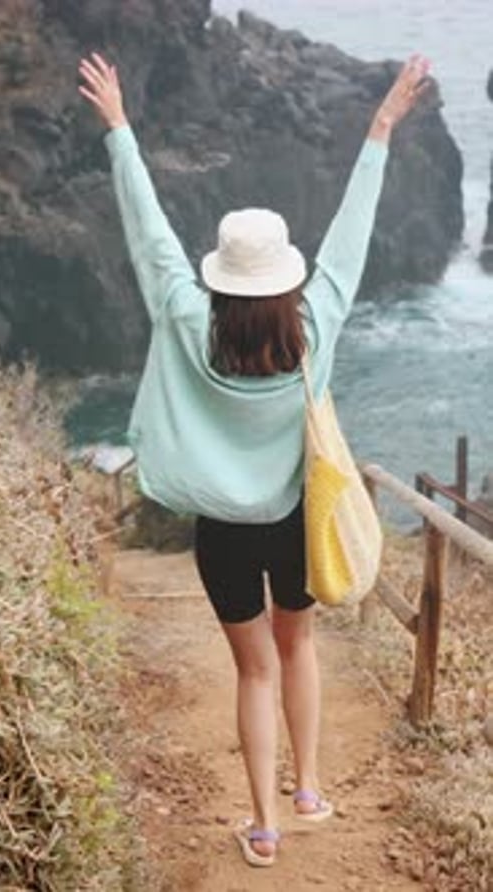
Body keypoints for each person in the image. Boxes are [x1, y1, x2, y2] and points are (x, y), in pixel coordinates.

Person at [78, 51, 430, 868]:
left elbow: (148, 232)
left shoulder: (182, 315)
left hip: (224, 534)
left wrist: (119, 127)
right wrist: (381, 126)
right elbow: (353, 230)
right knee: (298, 647)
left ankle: (264, 823)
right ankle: (310, 789)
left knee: (254, 672)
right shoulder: (320, 322)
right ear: (284, 278)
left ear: (221, 280)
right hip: (295, 521)